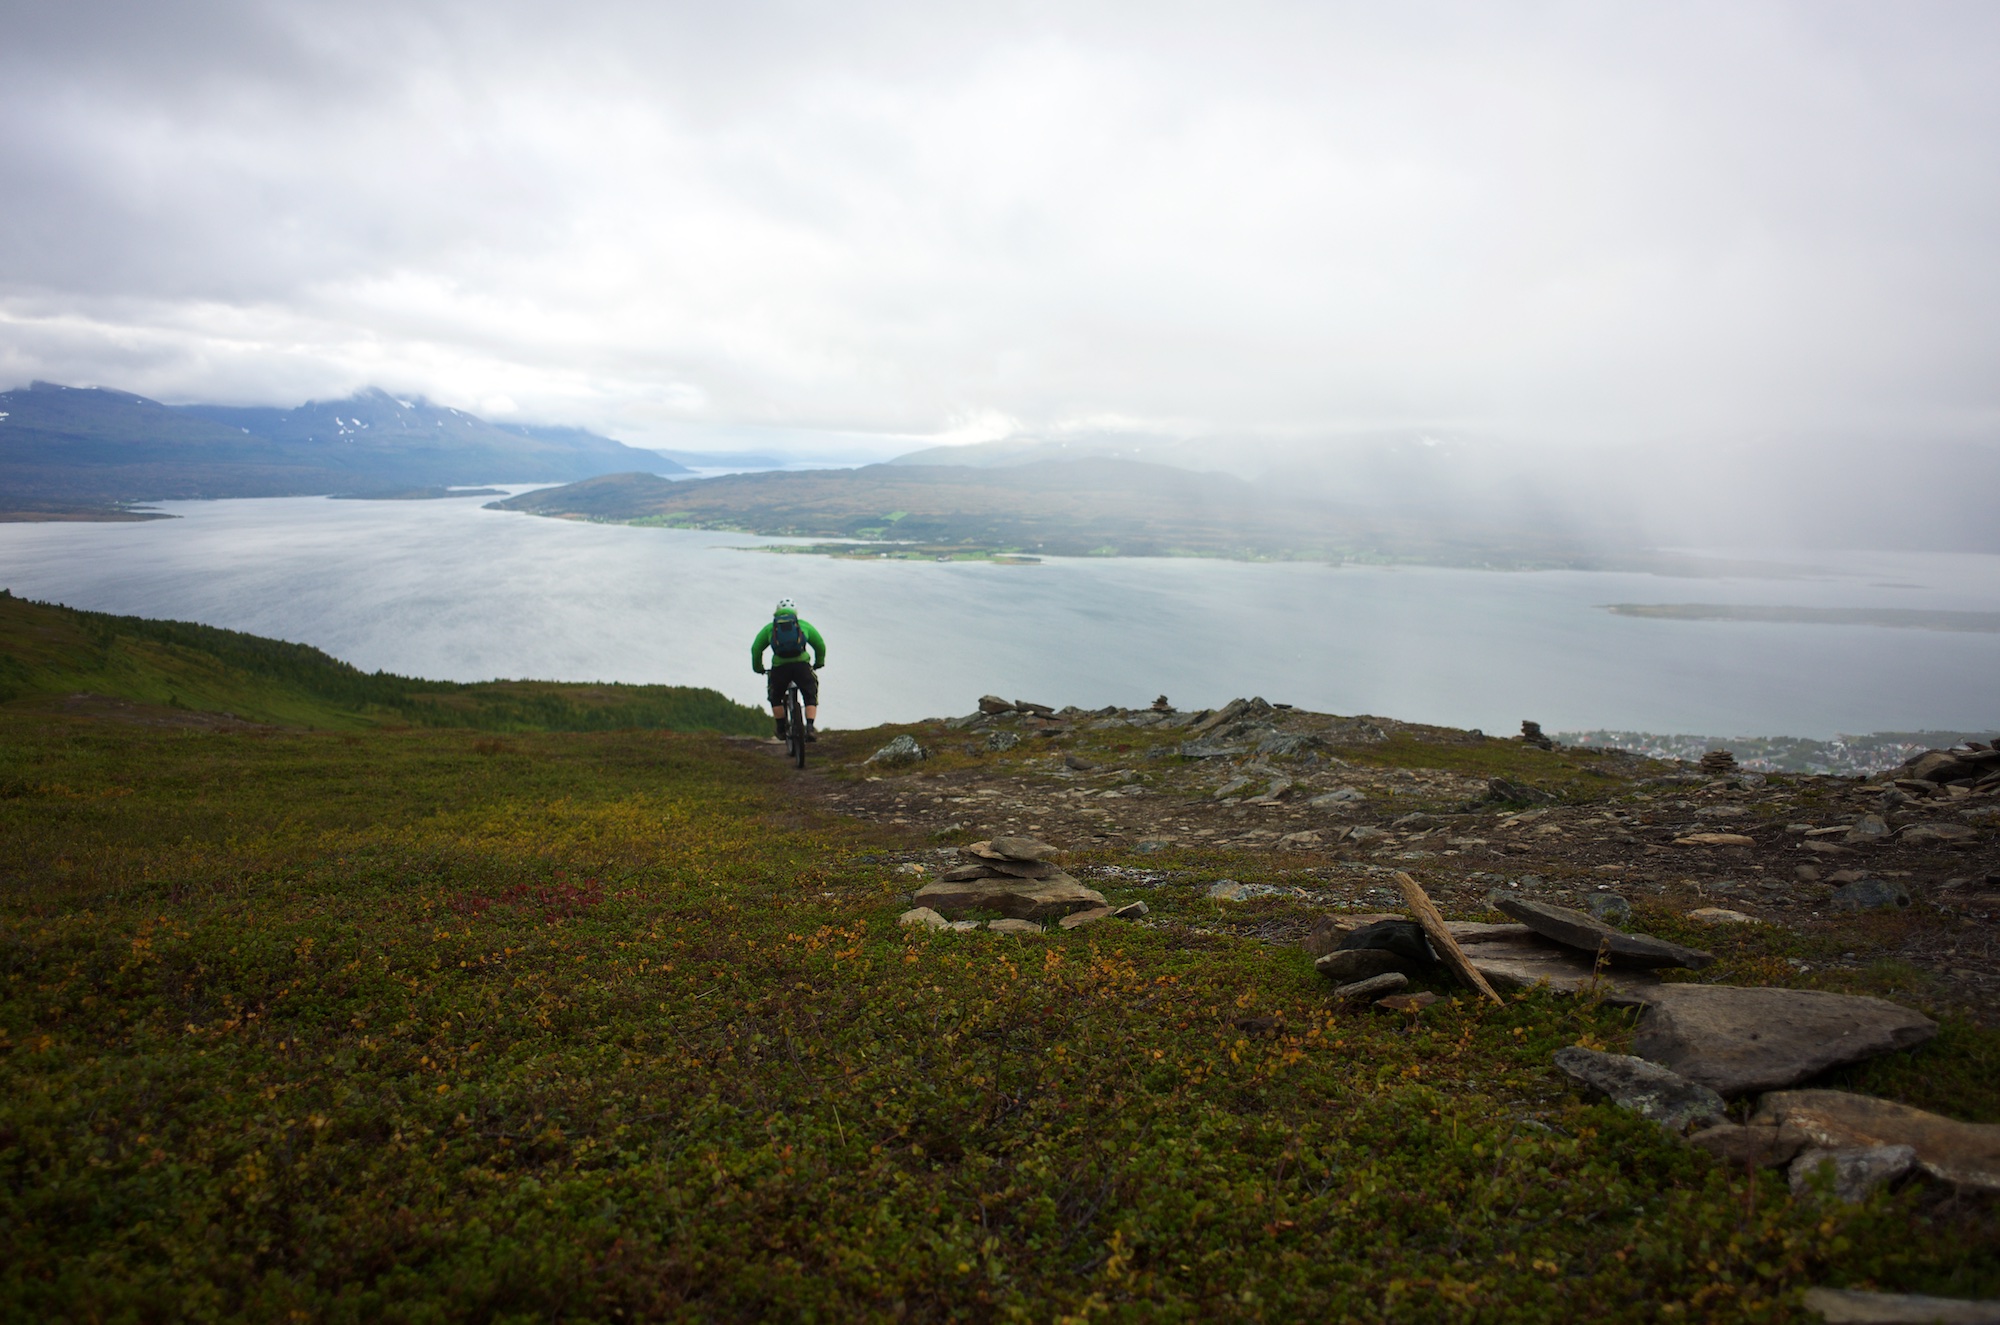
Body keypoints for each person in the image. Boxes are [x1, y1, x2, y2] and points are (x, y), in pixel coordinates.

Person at [750, 598, 825, 741]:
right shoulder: (803, 625)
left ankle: (781, 729)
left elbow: (756, 649)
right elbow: (820, 645)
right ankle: (810, 728)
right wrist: (819, 663)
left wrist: (758, 668)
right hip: (802, 666)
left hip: (780, 668)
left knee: (775, 697)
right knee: (810, 695)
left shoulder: (770, 628)